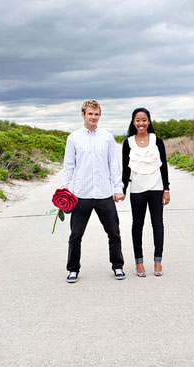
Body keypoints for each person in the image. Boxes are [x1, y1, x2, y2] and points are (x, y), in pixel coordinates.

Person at [60, 100, 126, 283]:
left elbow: (114, 165)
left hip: (104, 194)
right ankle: (73, 269)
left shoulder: (107, 137)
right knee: (76, 235)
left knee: (114, 232)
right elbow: (69, 166)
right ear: (83, 114)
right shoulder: (73, 138)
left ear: (99, 115)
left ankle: (118, 266)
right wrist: (63, 190)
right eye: (90, 114)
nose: (93, 117)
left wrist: (118, 188)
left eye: (96, 114)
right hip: (81, 194)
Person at [122, 107, 170, 277]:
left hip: (156, 187)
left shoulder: (158, 141)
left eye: (144, 120)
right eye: (138, 120)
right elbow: (125, 170)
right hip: (137, 189)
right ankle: (139, 263)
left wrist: (166, 189)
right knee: (137, 225)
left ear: (148, 121)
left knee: (158, 224)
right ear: (133, 122)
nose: (141, 123)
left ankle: (158, 261)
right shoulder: (128, 143)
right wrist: (122, 190)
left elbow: (164, 166)